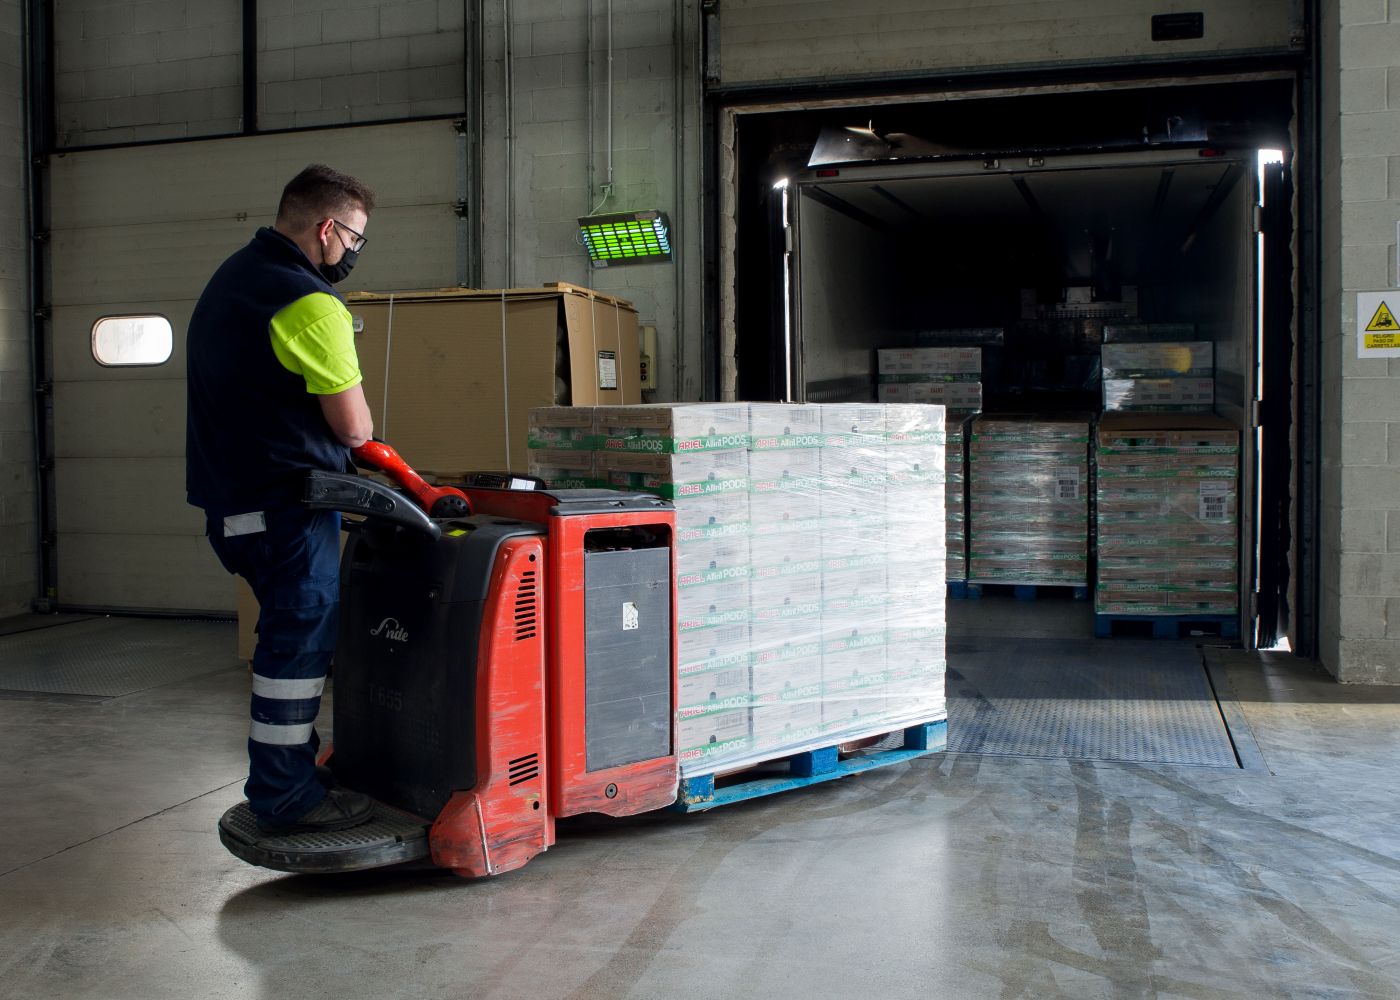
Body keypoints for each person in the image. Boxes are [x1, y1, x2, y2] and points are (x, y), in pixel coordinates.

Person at [186, 164, 377, 835]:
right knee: (296, 649)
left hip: (232, 508)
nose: (353, 252)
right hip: (288, 509)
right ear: (327, 229)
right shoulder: (311, 303)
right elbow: (354, 429)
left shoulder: (231, 280)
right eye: (354, 238)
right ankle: (286, 794)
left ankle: (292, 771)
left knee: (286, 641)